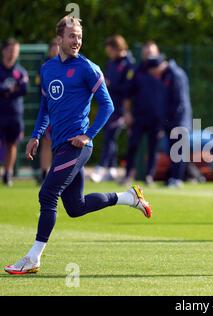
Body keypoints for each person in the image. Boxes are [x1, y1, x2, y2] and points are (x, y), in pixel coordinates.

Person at [4, 16, 152, 275]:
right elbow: (45, 107)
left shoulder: (88, 68)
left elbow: (108, 106)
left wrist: (89, 135)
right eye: (72, 36)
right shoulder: (48, 69)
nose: (77, 41)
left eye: (80, 37)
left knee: (47, 194)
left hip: (78, 146)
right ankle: (129, 197)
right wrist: (36, 135)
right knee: (76, 207)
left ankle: (33, 258)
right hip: (61, 145)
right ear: (59, 39)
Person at [145, 43, 193, 188]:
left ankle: (177, 179)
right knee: (172, 150)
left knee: (179, 150)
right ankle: (173, 177)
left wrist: (172, 121)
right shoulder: (165, 75)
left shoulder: (175, 75)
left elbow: (180, 101)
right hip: (170, 120)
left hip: (179, 120)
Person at [120, 41, 165, 186]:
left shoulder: (164, 72)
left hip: (157, 118)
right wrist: (127, 113)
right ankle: (128, 175)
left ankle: (149, 177)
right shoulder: (136, 71)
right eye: (146, 53)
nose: (149, 55)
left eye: (151, 52)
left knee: (153, 149)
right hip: (138, 116)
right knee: (133, 145)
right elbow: (127, 94)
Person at [90, 35, 134, 183]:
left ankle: (101, 168)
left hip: (121, 108)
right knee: (111, 137)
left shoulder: (129, 64)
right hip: (110, 107)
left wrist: (111, 85)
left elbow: (128, 88)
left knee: (110, 136)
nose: (109, 54)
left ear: (117, 48)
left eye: (110, 50)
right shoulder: (111, 63)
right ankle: (112, 169)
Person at [0, 38, 28, 187]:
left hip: (14, 114)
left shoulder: (20, 72)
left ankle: (7, 173)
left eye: (15, 51)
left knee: (12, 144)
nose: (12, 54)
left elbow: (23, 89)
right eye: (10, 50)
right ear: (4, 51)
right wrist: (9, 90)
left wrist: (6, 91)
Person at [36, 38, 60, 184]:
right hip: (49, 111)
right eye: (54, 47)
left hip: (62, 112)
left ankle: (57, 174)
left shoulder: (70, 65)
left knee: (61, 142)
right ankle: (44, 173)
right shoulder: (45, 67)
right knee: (46, 142)